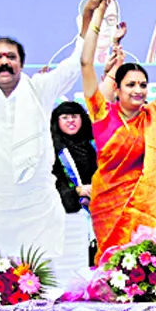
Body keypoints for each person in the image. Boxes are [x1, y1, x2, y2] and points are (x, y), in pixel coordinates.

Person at [0, 0, 105, 270]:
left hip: (33, 209)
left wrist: (88, 18)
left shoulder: (39, 89)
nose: (4, 62)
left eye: (11, 56)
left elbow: (75, 62)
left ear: (22, 63)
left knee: (37, 285)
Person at [81, 0, 156, 264]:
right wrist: (98, 16)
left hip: (148, 214)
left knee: (146, 274)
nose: (138, 90)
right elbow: (86, 63)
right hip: (109, 212)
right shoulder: (101, 114)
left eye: (143, 85)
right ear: (116, 89)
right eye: (130, 85)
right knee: (114, 278)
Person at [50, 101, 97, 282]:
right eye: (65, 117)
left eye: (75, 116)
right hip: (68, 216)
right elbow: (52, 182)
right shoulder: (53, 148)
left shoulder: (92, 144)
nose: (71, 121)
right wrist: (77, 191)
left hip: (96, 210)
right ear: (57, 121)